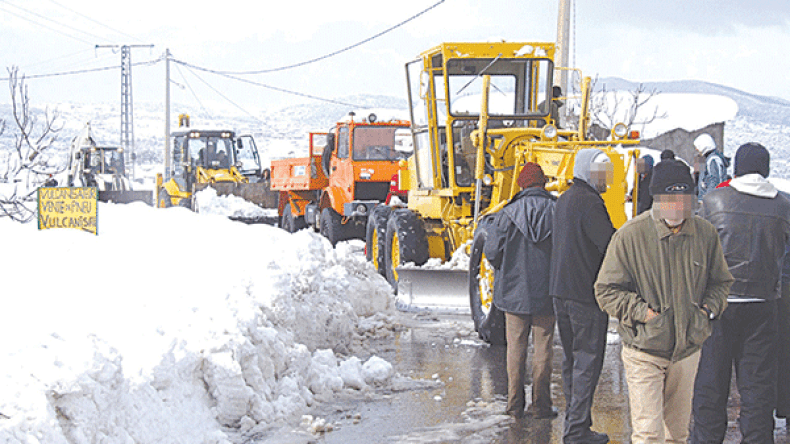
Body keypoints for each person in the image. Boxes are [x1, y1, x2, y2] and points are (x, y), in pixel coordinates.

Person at [595, 158, 733, 443]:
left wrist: (706, 311)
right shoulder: (630, 235)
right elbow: (606, 290)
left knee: (677, 435)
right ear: (657, 198)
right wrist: (643, 313)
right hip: (644, 349)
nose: (678, 205)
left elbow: (721, 282)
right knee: (648, 433)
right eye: (670, 198)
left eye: (684, 197)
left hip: (687, 350)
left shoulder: (705, 234)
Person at [692, 142, 790, 444]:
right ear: (767, 168)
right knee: (758, 389)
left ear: (737, 168)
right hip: (764, 304)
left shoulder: (713, 201)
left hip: (718, 306)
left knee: (711, 385)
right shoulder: (783, 205)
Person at [549, 148, 614, 444]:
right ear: (589, 171)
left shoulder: (564, 200)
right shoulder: (590, 203)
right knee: (587, 361)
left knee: (573, 360)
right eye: (603, 171)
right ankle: (576, 431)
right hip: (584, 294)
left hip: (561, 291)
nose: (607, 178)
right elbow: (609, 244)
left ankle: (578, 424)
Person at [484, 162, 557, 419]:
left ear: (521, 184)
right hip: (547, 294)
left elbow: (491, 251)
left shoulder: (507, 214)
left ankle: (515, 405)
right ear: (543, 183)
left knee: (515, 350)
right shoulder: (557, 211)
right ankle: (541, 406)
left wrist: (506, 267)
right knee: (543, 350)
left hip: (513, 294)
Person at [694, 133, 729, 201]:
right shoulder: (707, 159)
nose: (696, 149)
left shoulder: (713, 159)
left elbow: (715, 180)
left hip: (712, 202)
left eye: (698, 146)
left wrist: (707, 199)